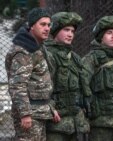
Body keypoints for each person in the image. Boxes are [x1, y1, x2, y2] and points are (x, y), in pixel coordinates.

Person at [5, 7, 59, 141]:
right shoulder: (23, 51)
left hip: (39, 112)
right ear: (31, 26)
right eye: (42, 24)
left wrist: (50, 109)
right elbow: (17, 86)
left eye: (48, 25)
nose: (47, 28)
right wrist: (25, 115)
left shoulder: (37, 48)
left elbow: (40, 83)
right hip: (31, 115)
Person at [44, 12, 90, 141]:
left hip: (75, 122)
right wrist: (50, 108)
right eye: (66, 30)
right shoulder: (47, 55)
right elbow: (40, 88)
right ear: (55, 30)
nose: (70, 34)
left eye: (72, 31)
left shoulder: (74, 57)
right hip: (56, 121)